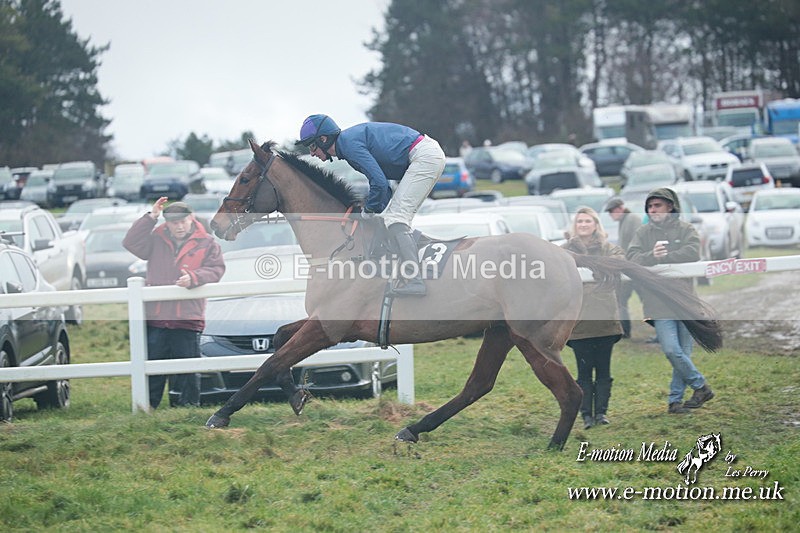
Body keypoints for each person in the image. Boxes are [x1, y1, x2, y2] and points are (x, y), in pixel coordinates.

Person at [299, 114, 446, 296]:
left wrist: (367, 212)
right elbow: (384, 188)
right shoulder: (347, 146)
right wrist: (372, 210)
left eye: (312, 146)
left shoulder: (348, 145)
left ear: (323, 139)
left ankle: (415, 281)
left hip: (424, 156)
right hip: (423, 154)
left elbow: (380, 183)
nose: (312, 153)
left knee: (396, 218)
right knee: (390, 218)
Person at [123, 197, 225, 409]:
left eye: (182, 221)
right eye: (173, 222)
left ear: (191, 219)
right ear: (166, 223)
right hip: (157, 318)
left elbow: (216, 269)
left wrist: (194, 277)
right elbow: (131, 243)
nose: (179, 226)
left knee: (188, 370)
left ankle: (189, 409)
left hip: (187, 318)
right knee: (153, 368)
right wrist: (151, 217)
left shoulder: (207, 242)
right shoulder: (155, 239)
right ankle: (146, 409)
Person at [626, 188, 714, 414]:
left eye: (657, 206)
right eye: (650, 207)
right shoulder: (643, 233)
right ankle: (700, 386)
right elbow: (632, 258)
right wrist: (651, 257)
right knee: (671, 350)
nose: (652, 210)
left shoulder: (686, 229)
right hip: (657, 304)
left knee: (682, 353)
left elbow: (693, 252)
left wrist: (666, 257)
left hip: (685, 302)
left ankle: (675, 402)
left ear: (670, 206)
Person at [562, 207, 625, 429]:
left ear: (596, 224)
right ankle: (586, 415)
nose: (584, 225)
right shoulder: (565, 250)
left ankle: (601, 413)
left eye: (588, 221)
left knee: (604, 370)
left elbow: (618, 262)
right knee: (584, 371)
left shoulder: (609, 248)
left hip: (605, 318)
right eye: (580, 221)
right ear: (575, 225)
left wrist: (595, 267)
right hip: (579, 321)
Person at [605, 197, 643, 338]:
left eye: (612, 211)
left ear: (620, 208)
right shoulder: (625, 220)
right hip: (628, 269)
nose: (610, 215)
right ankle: (625, 331)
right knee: (621, 299)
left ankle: (626, 331)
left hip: (635, 269)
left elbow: (636, 245)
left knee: (645, 300)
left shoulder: (632, 219)